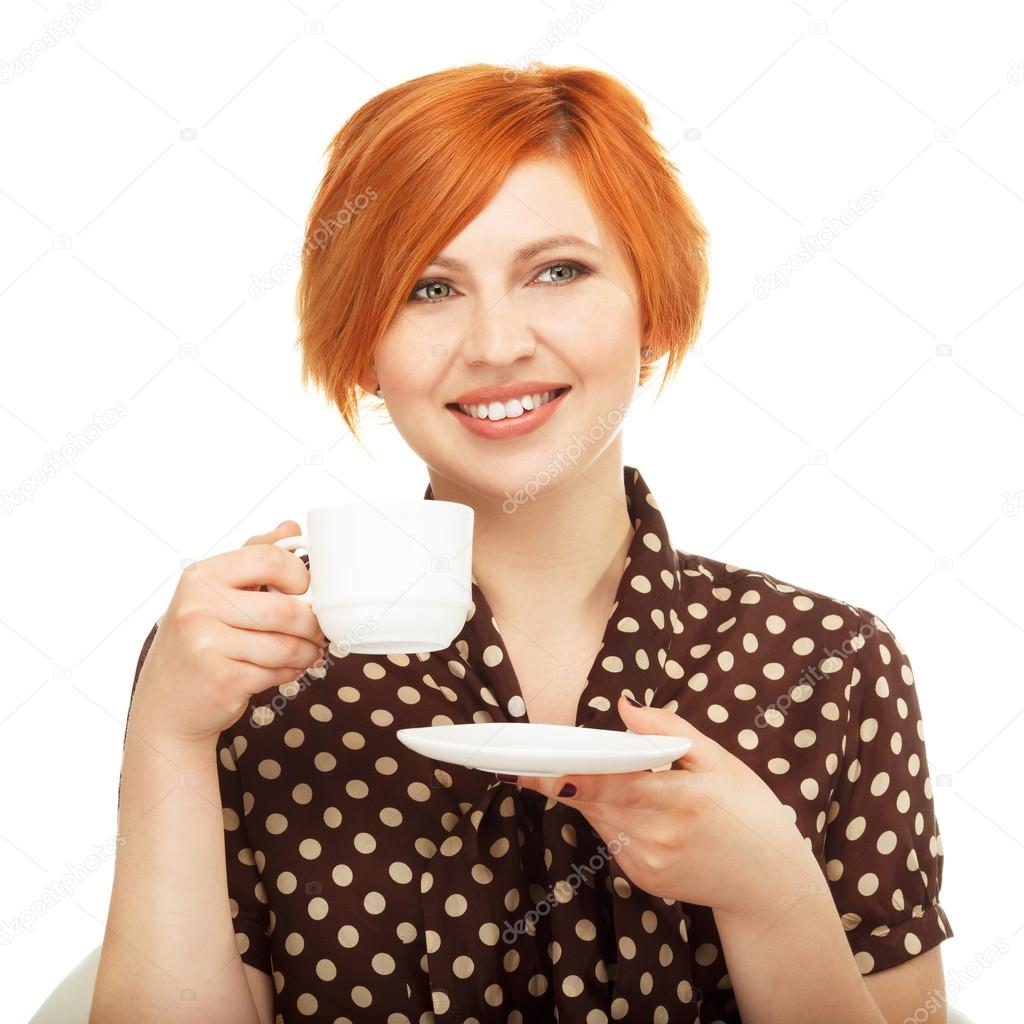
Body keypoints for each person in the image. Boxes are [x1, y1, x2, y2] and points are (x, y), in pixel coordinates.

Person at [91, 63, 952, 1024]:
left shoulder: (830, 665)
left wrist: (776, 896)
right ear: (364, 350)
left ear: (652, 308)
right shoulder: (247, 668)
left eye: (558, 271)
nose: (496, 343)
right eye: (428, 287)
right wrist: (168, 732)